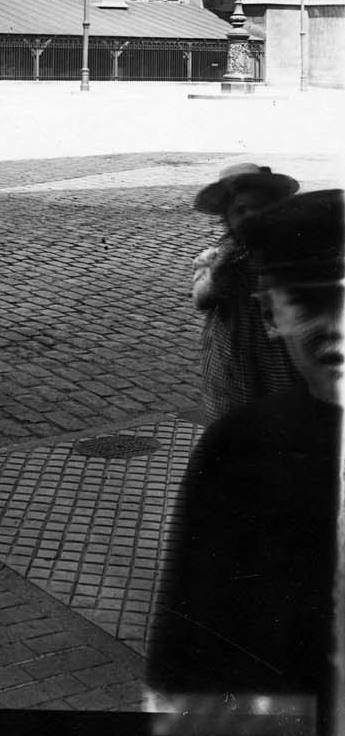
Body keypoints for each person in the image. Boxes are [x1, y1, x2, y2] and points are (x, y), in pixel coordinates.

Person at [147, 188, 344, 709]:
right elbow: (198, 658)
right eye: (310, 301)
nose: (339, 330)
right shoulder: (242, 450)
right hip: (244, 375)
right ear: (272, 314)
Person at [191, 162, 300, 420]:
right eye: (240, 210)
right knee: (233, 410)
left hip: (279, 344)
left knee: (281, 406)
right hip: (232, 343)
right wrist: (220, 268)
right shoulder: (217, 257)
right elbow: (201, 299)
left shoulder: (287, 249)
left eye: (260, 208)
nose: (251, 216)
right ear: (227, 217)